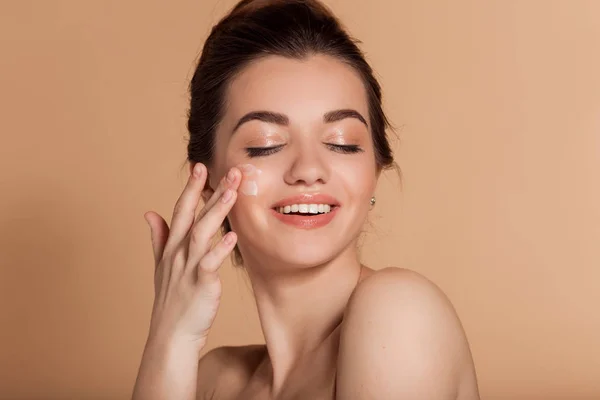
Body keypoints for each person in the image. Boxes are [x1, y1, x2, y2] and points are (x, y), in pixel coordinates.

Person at [132, 0, 480, 399]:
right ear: (206, 185)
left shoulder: (399, 314)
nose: (309, 169)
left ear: (375, 172)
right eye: (266, 145)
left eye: (342, 143)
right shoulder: (216, 380)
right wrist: (170, 336)